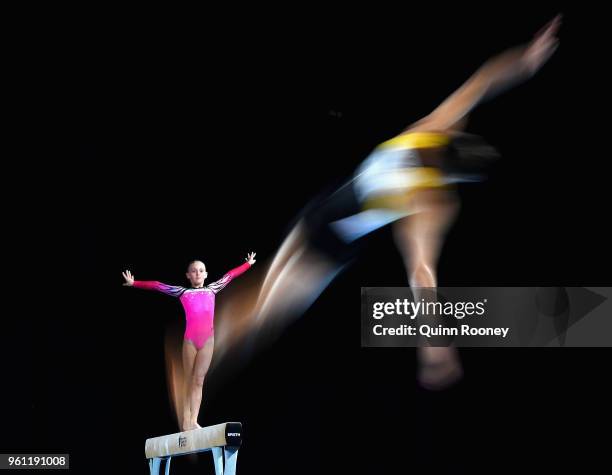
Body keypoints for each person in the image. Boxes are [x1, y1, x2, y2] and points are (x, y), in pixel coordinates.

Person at [244, 16, 560, 389]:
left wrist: (525, 61)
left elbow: (483, 81)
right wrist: (525, 61)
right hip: (332, 236)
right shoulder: (434, 181)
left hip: (326, 220)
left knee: (260, 314)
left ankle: (201, 350)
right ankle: (201, 353)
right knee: (261, 318)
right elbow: (422, 274)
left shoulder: (433, 153)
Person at [122, 252, 256, 430]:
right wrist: (134, 283)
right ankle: (185, 421)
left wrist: (248, 264)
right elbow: (157, 286)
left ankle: (193, 420)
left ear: (206, 274)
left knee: (199, 380)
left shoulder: (213, 288)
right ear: (188, 275)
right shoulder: (182, 292)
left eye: (201, 271)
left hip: (208, 340)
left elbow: (230, 276)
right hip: (190, 341)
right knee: (188, 380)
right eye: (194, 271)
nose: (198, 273)